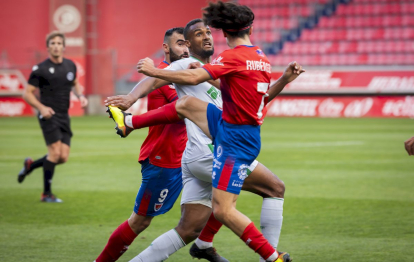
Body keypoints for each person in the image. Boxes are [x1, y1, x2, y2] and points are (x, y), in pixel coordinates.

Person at [106, 17, 303, 262]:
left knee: (188, 229)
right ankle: (269, 257)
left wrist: (283, 80)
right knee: (274, 188)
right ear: (188, 43)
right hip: (211, 152)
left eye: (208, 32)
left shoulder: (221, 69)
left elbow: (257, 102)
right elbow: (156, 78)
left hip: (195, 157)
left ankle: (197, 246)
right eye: (198, 34)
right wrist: (130, 98)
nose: (206, 36)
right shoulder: (186, 63)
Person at [94, 27, 189, 262]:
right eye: (179, 44)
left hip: (186, 158)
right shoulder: (166, 76)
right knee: (140, 221)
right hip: (164, 159)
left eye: (187, 43)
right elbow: (186, 107)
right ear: (166, 48)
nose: (185, 49)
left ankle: (206, 247)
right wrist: (131, 109)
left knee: (214, 206)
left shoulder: (183, 74)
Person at [18, 31, 88, 203]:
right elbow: (27, 94)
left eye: (59, 43)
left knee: (62, 157)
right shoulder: (40, 69)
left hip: (64, 116)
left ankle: (30, 166)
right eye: (53, 43)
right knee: (55, 153)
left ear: (64, 47)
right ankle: (46, 194)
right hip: (48, 115)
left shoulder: (70, 65)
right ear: (48, 47)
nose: (56, 46)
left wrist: (80, 96)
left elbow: (75, 84)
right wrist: (41, 108)